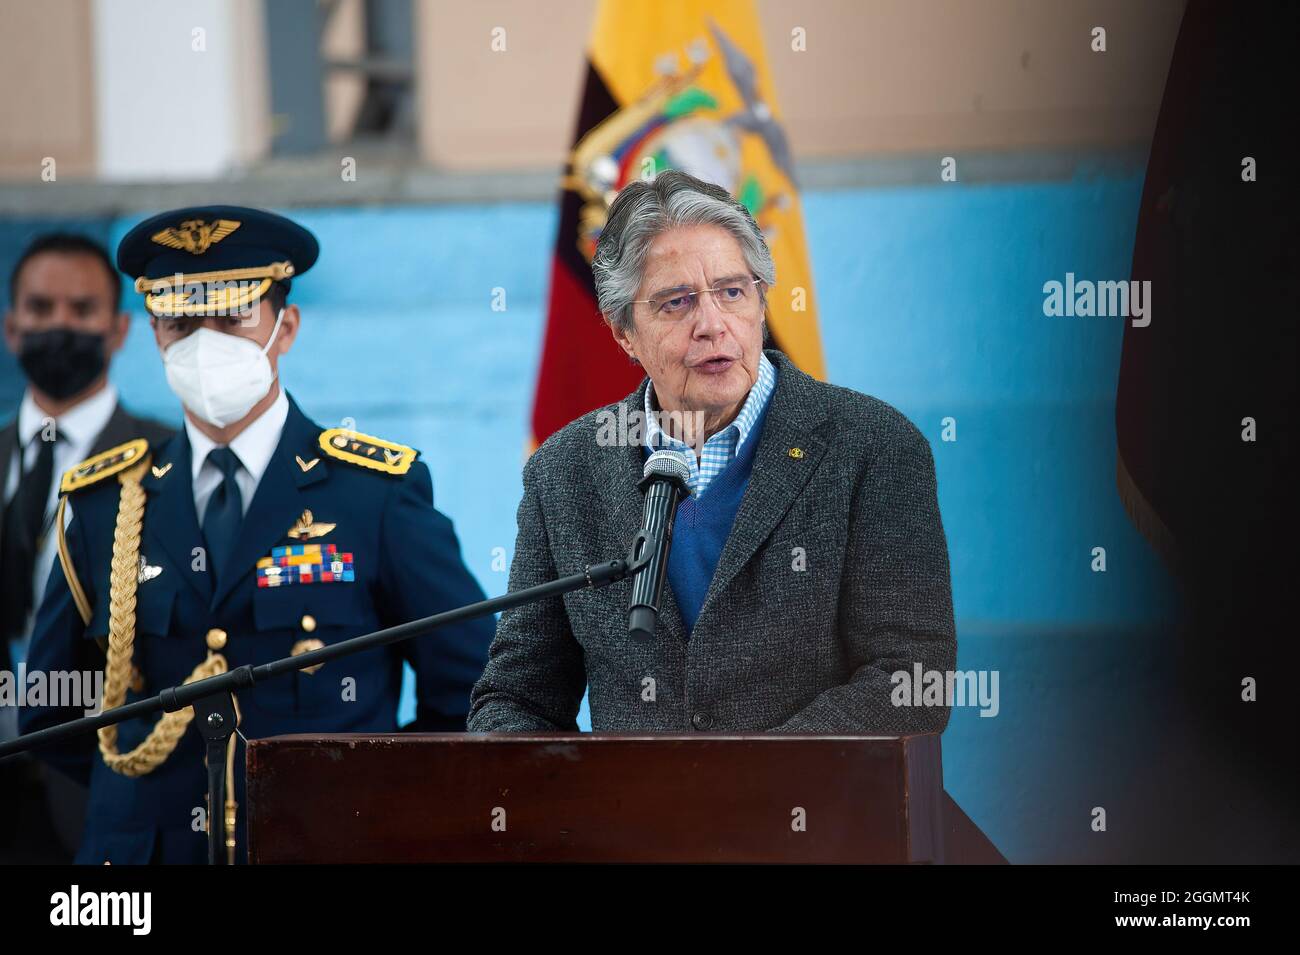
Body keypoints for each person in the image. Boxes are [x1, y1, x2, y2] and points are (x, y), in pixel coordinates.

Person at [19, 206, 493, 864]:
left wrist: (372, 794)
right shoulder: (103, 502)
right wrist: (144, 799)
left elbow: (475, 688)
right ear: (154, 332)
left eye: (233, 314)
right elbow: (50, 705)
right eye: (181, 320)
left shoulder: (373, 492)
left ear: (286, 327)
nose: (204, 341)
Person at [469, 170, 956, 734]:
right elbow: (518, 698)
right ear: (623, 332)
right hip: (636, 820)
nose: (712, 325)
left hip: (816, 816)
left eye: (731, 292)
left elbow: (914, 679)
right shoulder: (566, 471)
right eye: (676, 303)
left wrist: (741, 788)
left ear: (761, 299)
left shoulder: (872, 446)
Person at [1, 233, 173, 863]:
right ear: (11, 326)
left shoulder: (168, 466)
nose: (60, 325)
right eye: (41, 309)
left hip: (106, 785)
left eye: (81, 310)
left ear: (120, 329)